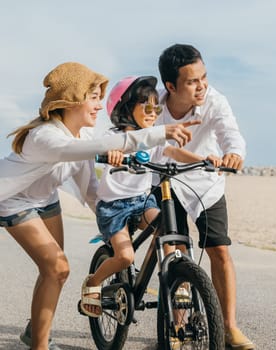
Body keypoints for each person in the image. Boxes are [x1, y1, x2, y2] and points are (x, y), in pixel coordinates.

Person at [0, 62, 198, 350]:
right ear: (72, 100)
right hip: (14, 201)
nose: (98, 105)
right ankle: (39, 346)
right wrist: (160, 132)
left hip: (47, 200)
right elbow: (102, 147)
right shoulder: (45, 137)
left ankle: (35, 331)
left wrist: (111, 222)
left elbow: (90, 189)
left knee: (55, 272)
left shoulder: (82, 136)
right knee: (57, 268)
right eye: (93, 97)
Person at [80, 75, 221, 318]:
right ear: (126, 107)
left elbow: (172, 151)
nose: (153, 112)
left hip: (141, 202)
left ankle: (178, 280)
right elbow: (109, 146)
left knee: (167, 229)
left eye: (157, 107)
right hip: (113, 207)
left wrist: (203, 159)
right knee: (124, 256)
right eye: (147, 106)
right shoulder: (115, 137)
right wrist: (113, 154)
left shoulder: (153, 137)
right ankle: (93, 281)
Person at [152, 44, 255, 350]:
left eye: (204, 77)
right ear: (170, 86)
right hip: (166, 180)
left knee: (219, 250)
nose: (202, 85)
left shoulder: (214, 101)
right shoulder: (153, 107)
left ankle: (229, 327)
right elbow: (158, 148)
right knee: (174, 254)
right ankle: (177, 326)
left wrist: (233, 154)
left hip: (206, 181)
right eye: (192, 81)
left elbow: (229, 132)